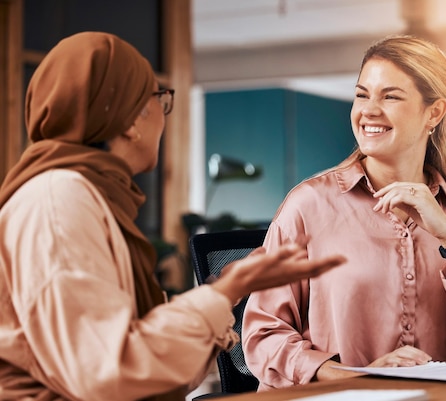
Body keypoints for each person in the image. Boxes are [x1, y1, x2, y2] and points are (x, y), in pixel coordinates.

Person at [0, 31, 345, 401]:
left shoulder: (87, 195)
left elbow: (158, 370)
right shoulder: (60, 201)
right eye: (160, 100)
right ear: (131, 120)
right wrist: (226, 291)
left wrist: (222, 292)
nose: (165, 118)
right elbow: (108, 375)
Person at [242, 34, 446, 390]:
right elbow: (262, 334)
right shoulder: (308, 205)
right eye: (362, 94)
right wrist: (351, 376)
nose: (369, 110)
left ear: (433, 112)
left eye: (390, 96)